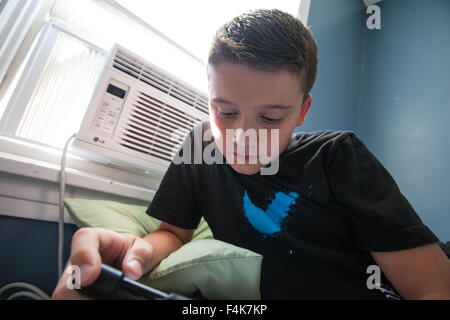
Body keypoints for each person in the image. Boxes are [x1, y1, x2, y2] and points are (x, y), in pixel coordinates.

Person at [52, 9, 450, 300]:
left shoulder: (338, 157)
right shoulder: (199, 147)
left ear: (302, 111)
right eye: (225, 112)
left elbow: (431, 287)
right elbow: (173, 233)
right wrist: (135, 249)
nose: (243, 136)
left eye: (270, 117)